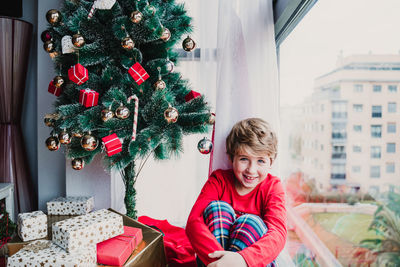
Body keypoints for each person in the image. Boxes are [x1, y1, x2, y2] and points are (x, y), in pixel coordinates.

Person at [186, 118, 286, 267]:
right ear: (231, 157)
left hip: (251, 262)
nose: (251, 170)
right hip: (214, 262)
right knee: (218, 209)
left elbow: (278, 233)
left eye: (261, 161)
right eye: (244, 159)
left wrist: (243, 260)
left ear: (271, 162)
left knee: (250, 222)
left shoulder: (273, 187)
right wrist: (222, 263)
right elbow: (194, 221)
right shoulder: (219, 180)